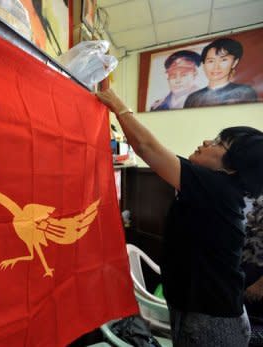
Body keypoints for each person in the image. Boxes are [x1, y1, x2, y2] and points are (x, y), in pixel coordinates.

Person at [97, 88, 263, 346]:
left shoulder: (216, 188)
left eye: (219, 143)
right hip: (202, 309)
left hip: (211, 321)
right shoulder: (219, 188)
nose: (208, 141)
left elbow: (146, 147)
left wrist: (117, 104)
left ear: (233, 167)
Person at [184, 37, 257, 108]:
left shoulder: (244, 92)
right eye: (211, 61)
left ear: (234, 63)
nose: (216, 67)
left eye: (223, 60)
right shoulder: (193, 98)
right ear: (204, 65)